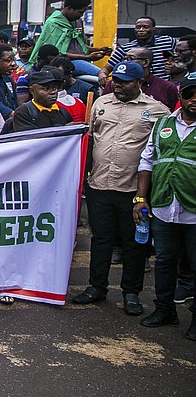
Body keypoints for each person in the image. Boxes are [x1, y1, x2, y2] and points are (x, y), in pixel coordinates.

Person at [72, 61, 168, 316]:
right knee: (100, 240)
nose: (119, 86)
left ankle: (131, 293)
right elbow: (90, 140)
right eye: (117, 81)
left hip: (132, 190)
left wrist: (146, 194)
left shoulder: (157, 111)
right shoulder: (101, 104)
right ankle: (96, 287)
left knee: (133, 244)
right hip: (100, 185)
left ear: (139, 82)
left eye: (126, 82)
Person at [135, 72, 196, 339]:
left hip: (193, 210)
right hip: (163, 207)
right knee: (164, 262)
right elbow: (147, 162)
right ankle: (164, 309)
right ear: (181, 95)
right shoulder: (163, 124)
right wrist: (140, 198)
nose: (195, 100)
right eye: (190, 94)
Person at [32, 0, 110, 78]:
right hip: (65, 62)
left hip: (82, 60)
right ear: (69, 8)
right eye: (80, 12)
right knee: (100, 74)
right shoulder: (53, 23)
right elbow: (57, 52)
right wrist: (87, 57)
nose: (81, 15)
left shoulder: (78, 22)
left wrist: (98, 50)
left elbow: (79, 46)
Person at [101, 16, 177, 82]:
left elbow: (184, 53)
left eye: (145, 27)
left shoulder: (168, 41)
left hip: (163, 86)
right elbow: (106, 69)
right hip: (136, 87)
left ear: (153, 29)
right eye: (138, 27)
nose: (141, 30)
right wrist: (102, 75)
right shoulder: (125, 49)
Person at [101, 47, 179, 109]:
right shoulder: (113, 84)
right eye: (124, 59)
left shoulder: (167, 87)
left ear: (146, 62)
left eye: (130, 59)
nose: (126, 62)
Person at [6, 69, 74, 132]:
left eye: (54, 88)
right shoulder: (23, 112)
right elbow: (30, 139)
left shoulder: (63, 112)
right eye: (46, 89)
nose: (52, 92)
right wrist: (63, 130)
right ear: (32, 91)